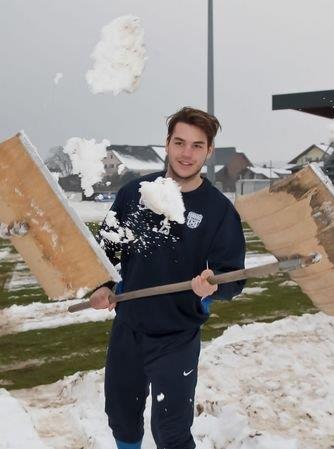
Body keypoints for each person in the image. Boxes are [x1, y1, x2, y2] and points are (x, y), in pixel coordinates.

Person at [89, 107, 246, 449]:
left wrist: (213, 284)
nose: (186, 154)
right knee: (121, 417)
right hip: (129, 326)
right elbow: (105, 253)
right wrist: (102, 285)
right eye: (179, 143)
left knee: (172, 431)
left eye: (196, 145)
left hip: (177, 334)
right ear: (167, 144)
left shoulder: (218, 210)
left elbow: (233, 275)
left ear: (208, 151)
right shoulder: (135, 194)